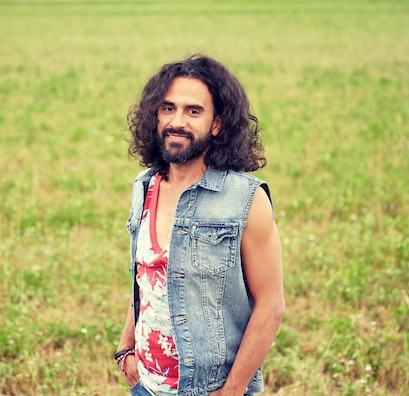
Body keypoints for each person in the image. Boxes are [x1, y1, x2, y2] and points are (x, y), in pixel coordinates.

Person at [115, 54, 285, 396]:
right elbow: (146, 280)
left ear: (217, 124)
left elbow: (271, 305)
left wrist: (233, 390)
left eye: (194, 111)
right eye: (168, 108)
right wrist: (126, 349)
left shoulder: (246, 200)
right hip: (145, 384)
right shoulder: (144, 187)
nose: (177, 121)